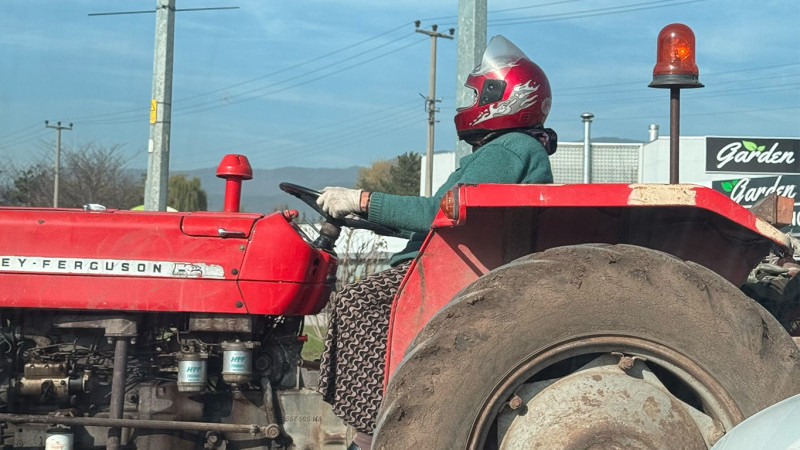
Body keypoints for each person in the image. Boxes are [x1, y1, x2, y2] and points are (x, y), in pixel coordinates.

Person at [315, 35, 558, 450]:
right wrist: (371, 217)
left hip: (454, 273)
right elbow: (440, 218)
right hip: (452, 261)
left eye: (476, 94)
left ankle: (372, 432)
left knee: (358, 303)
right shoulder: (511, 149)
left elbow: (437, 213)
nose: (467, 103)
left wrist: (361, 199)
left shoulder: (509, 149)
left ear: (506, 98)